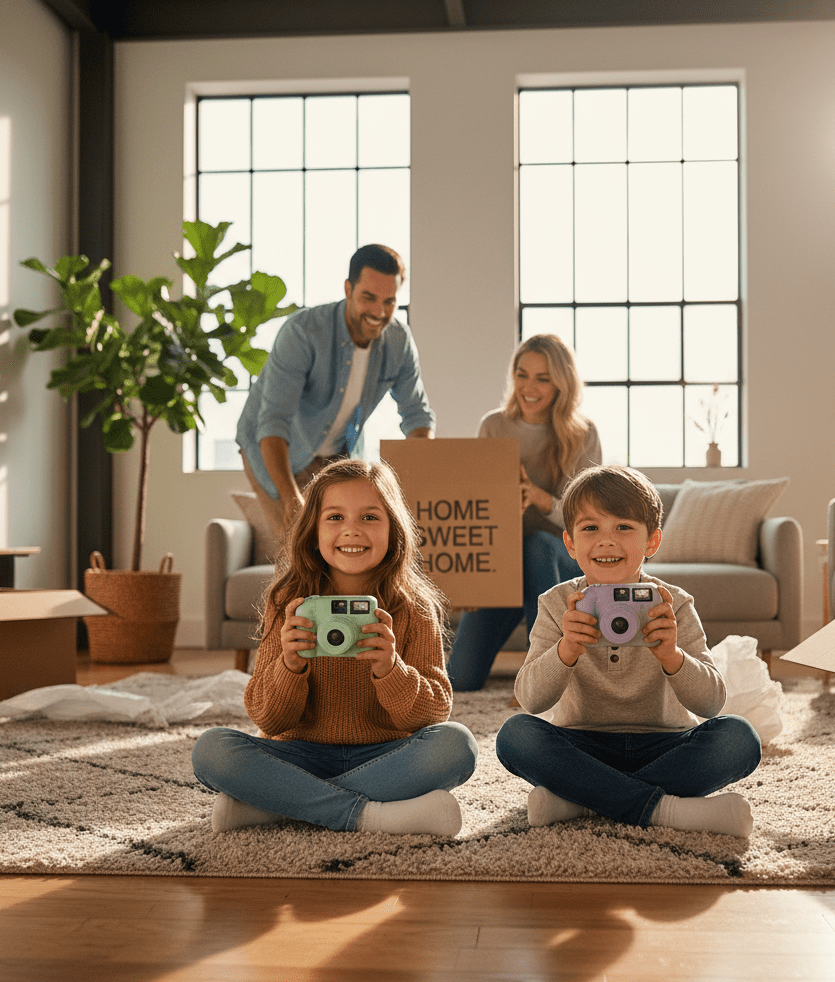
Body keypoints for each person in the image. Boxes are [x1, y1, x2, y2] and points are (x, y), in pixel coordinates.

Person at [192, 459, 478, 836]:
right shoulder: (290, 601)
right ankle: (372, 816)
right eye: (335, 518)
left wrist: (391, 670)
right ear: (313, 531)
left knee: (457, 746)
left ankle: (280, 806)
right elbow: (267, 718)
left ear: (394, 529)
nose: (352, 531)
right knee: (212, 750)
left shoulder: (413, 606)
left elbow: (434, 713)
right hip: (299, 755)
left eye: (371, 518)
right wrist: (289, 666)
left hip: (384, 754)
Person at [495, 464, 762, 838]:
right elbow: (531, 700)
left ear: (652, 542)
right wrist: (565, 648)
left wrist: (673, 656)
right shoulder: (557, 603)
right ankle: (666, 809)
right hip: (583, 742)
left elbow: (710, 705)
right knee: (515, 735)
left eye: (623, 527)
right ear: (570, 543)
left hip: (664, 743)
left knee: (739, 737)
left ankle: (582, 801)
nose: (606, 541)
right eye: (590, 528)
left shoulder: (674, 604)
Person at [236, 244, 435, 539]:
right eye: (369, 298)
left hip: (338, 456)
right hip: (279, 451)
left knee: (347, 553)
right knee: (298, 555)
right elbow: (273, 422)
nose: (379, 312)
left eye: (389, 302)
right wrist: (291, 496)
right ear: (348, 289)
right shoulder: (303, 333)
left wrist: (425, 481)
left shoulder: (398, 341)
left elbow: (417, 416)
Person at [447, 334, 601, 691]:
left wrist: (537, 497)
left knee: (536, 545)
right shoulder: (494, 426)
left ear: (561, 383)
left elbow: (592, 523)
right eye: (522, 374)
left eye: (543, 378)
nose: (529, 387)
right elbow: (478, 511)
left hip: (561, 560)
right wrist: (472, 578)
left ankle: (545, 673)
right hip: (505, 564)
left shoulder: (583, 434)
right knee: (460, 678)